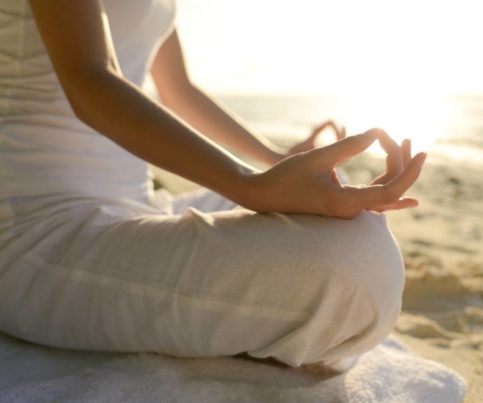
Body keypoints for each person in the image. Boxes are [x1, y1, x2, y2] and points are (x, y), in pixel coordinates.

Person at [0, 0, 426, 369]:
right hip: (37, 231)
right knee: (355, 265)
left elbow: (180, 92)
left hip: (140, 206)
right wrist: (251, 187)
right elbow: (89, 77)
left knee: (337, 199)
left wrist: (279, 162)